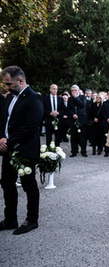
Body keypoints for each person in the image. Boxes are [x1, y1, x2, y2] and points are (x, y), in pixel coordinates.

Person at [0, 66, 44, 235]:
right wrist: (1, 138)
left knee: (29, 185)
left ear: (20, 81)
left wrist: (9, 142)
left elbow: (30, 127)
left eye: (9, 83)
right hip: (8, 149)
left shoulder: (34, 99)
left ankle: (32, 220)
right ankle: (10, 219)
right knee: (6, 183)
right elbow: (3, 120)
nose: (6, 87)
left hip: (25, 150)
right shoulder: (10, 97)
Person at [67, 85, 88, 157]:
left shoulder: (83, 97)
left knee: (82, 137)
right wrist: (72, 114)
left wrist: (76, 97)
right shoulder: (70, 99)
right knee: (73, 137)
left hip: (82, 119)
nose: (73, 92)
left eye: (75, 90)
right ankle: (74, 151)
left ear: (78, 91)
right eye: (72, 90)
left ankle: (83, 151)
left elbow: (82, 105)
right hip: (73, 120)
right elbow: (68, 109)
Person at [102, 90, 109, 157]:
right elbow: (102, 112)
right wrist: (107, 118)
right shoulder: (105, 103)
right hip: (106, 122)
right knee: (106, 137)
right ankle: (106, 151)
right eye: (108, 94)